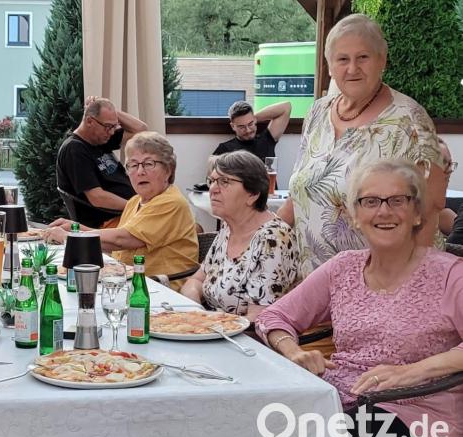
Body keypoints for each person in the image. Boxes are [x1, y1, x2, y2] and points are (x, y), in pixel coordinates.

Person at [256, 160, 463, 437]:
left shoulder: (450, 274)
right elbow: (273, 317)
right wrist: (294, 352)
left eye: (397, 200)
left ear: (417, 213)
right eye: (370, 201)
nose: (384, 211)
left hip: (416, 412)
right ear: (355, 215)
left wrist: (414, 371)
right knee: (253, 421)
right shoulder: (343, 267)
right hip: (335, 399)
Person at [277, 14, 444, 278]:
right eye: (342, 59)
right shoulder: (318, 113)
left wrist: (400, 287)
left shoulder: (410, 120)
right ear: (329, 66)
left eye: (363, 57)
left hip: (382, 284)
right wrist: (260, 238)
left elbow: (429, 211)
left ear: (382, 61)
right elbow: (299, 194)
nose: (352, 68)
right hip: (315, 283)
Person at [45, 131, 198, 290]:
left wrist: (71, 237)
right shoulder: (135, 201)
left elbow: (122, 239)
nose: (140, 172)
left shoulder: (171, 202)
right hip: (127, 282)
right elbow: (115, 241)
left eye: (148, 164)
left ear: (168, 170)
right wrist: (75, 227)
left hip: (159, 289)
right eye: (133, 164)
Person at [180, 151, 297, 321]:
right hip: (210, 328)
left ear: (253, 194)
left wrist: (205, 324)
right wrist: (195, 310)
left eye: (224, 181)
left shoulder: (274, 239)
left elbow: (258, 319)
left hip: (247, 340)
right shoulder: (229, 228)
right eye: (212, 181)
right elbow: (196, 281)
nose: (213, 189)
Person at [56, 96, 148, 228]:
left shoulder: (101, 139)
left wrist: (109, 110)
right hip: (107, 221)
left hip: (126, 214)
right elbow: (97, 198)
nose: (111, 132)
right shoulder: (74, 149)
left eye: (113, 126)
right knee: (162, 230)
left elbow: (141, 130)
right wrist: (137, 207)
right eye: (107, 126)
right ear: (89, 121)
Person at [212, 101, 292, 162]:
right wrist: (250, 120)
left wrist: (254, 117)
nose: (248, 130)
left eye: (250, 124)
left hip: (269, 183)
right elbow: (212, 180)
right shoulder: (224, 149)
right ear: (233, 126)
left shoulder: (267, 139)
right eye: (242, 127)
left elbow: (286, 107)